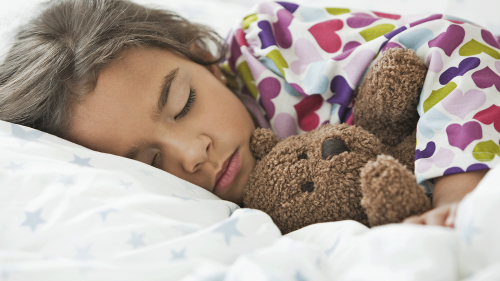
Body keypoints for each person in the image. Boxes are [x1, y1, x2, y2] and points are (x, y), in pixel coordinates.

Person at [0, 0, 495, 227]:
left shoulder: (271, 47)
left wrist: (456, 197)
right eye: (150, 163)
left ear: (199, 54)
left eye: (184, 103)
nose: (193, 154)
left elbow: (455, 43)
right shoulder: (191, 219)